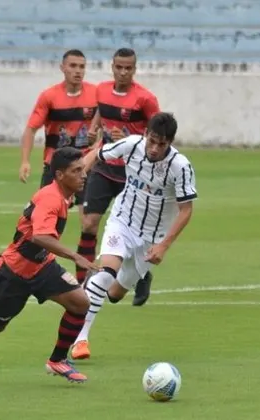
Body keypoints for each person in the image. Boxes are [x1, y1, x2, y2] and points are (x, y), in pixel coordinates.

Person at [0, 147, 99, 384]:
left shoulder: (64, 189)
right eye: (77, 171)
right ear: (60, 175)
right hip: (12, 272)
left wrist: (102, 144)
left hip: (42, 267)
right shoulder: (50, 198)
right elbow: (39, 237)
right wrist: (77, 257)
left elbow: (89, 160)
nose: (84, 175)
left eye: (83, 169)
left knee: (80, 303)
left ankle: (58, 360)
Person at [71, 112, 196, 360]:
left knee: (115, 294)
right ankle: (80, 339)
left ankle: (111, 282)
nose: (154, 148)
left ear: (170, 142)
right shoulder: (132, 144)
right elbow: (96, 154)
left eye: (161, 144)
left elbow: (186, 210)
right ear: (146, 134)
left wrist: (163, 247)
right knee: (106, 275)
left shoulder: (180, 167)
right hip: (122, 222)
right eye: (152, 140)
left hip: (151, 238)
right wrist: (76, 181)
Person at [76, 48, 160, 305]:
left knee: (132, 232)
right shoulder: (101, 90)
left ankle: (139, 274)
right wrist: (93, 128)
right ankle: (83, 281)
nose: (123, 72)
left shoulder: (145, 98)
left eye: (128, 68)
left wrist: (136, 141)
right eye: (119, 67)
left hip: (133, 171)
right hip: (105, 165)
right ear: (112, 67)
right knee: (89, 223)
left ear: (135, 69)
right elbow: (101, 111)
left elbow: (159, 135)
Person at [18, 49, 98, 212]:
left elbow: (107, 125)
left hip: (84, 166)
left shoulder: (96, 94)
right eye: (73, 66)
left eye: (82, 67)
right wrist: (25, 161)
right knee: (44, 214)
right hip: (56, 166)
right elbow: (31, 130)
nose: (78, 71)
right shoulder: (49, 96)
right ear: (62, 67)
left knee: (89, 221)